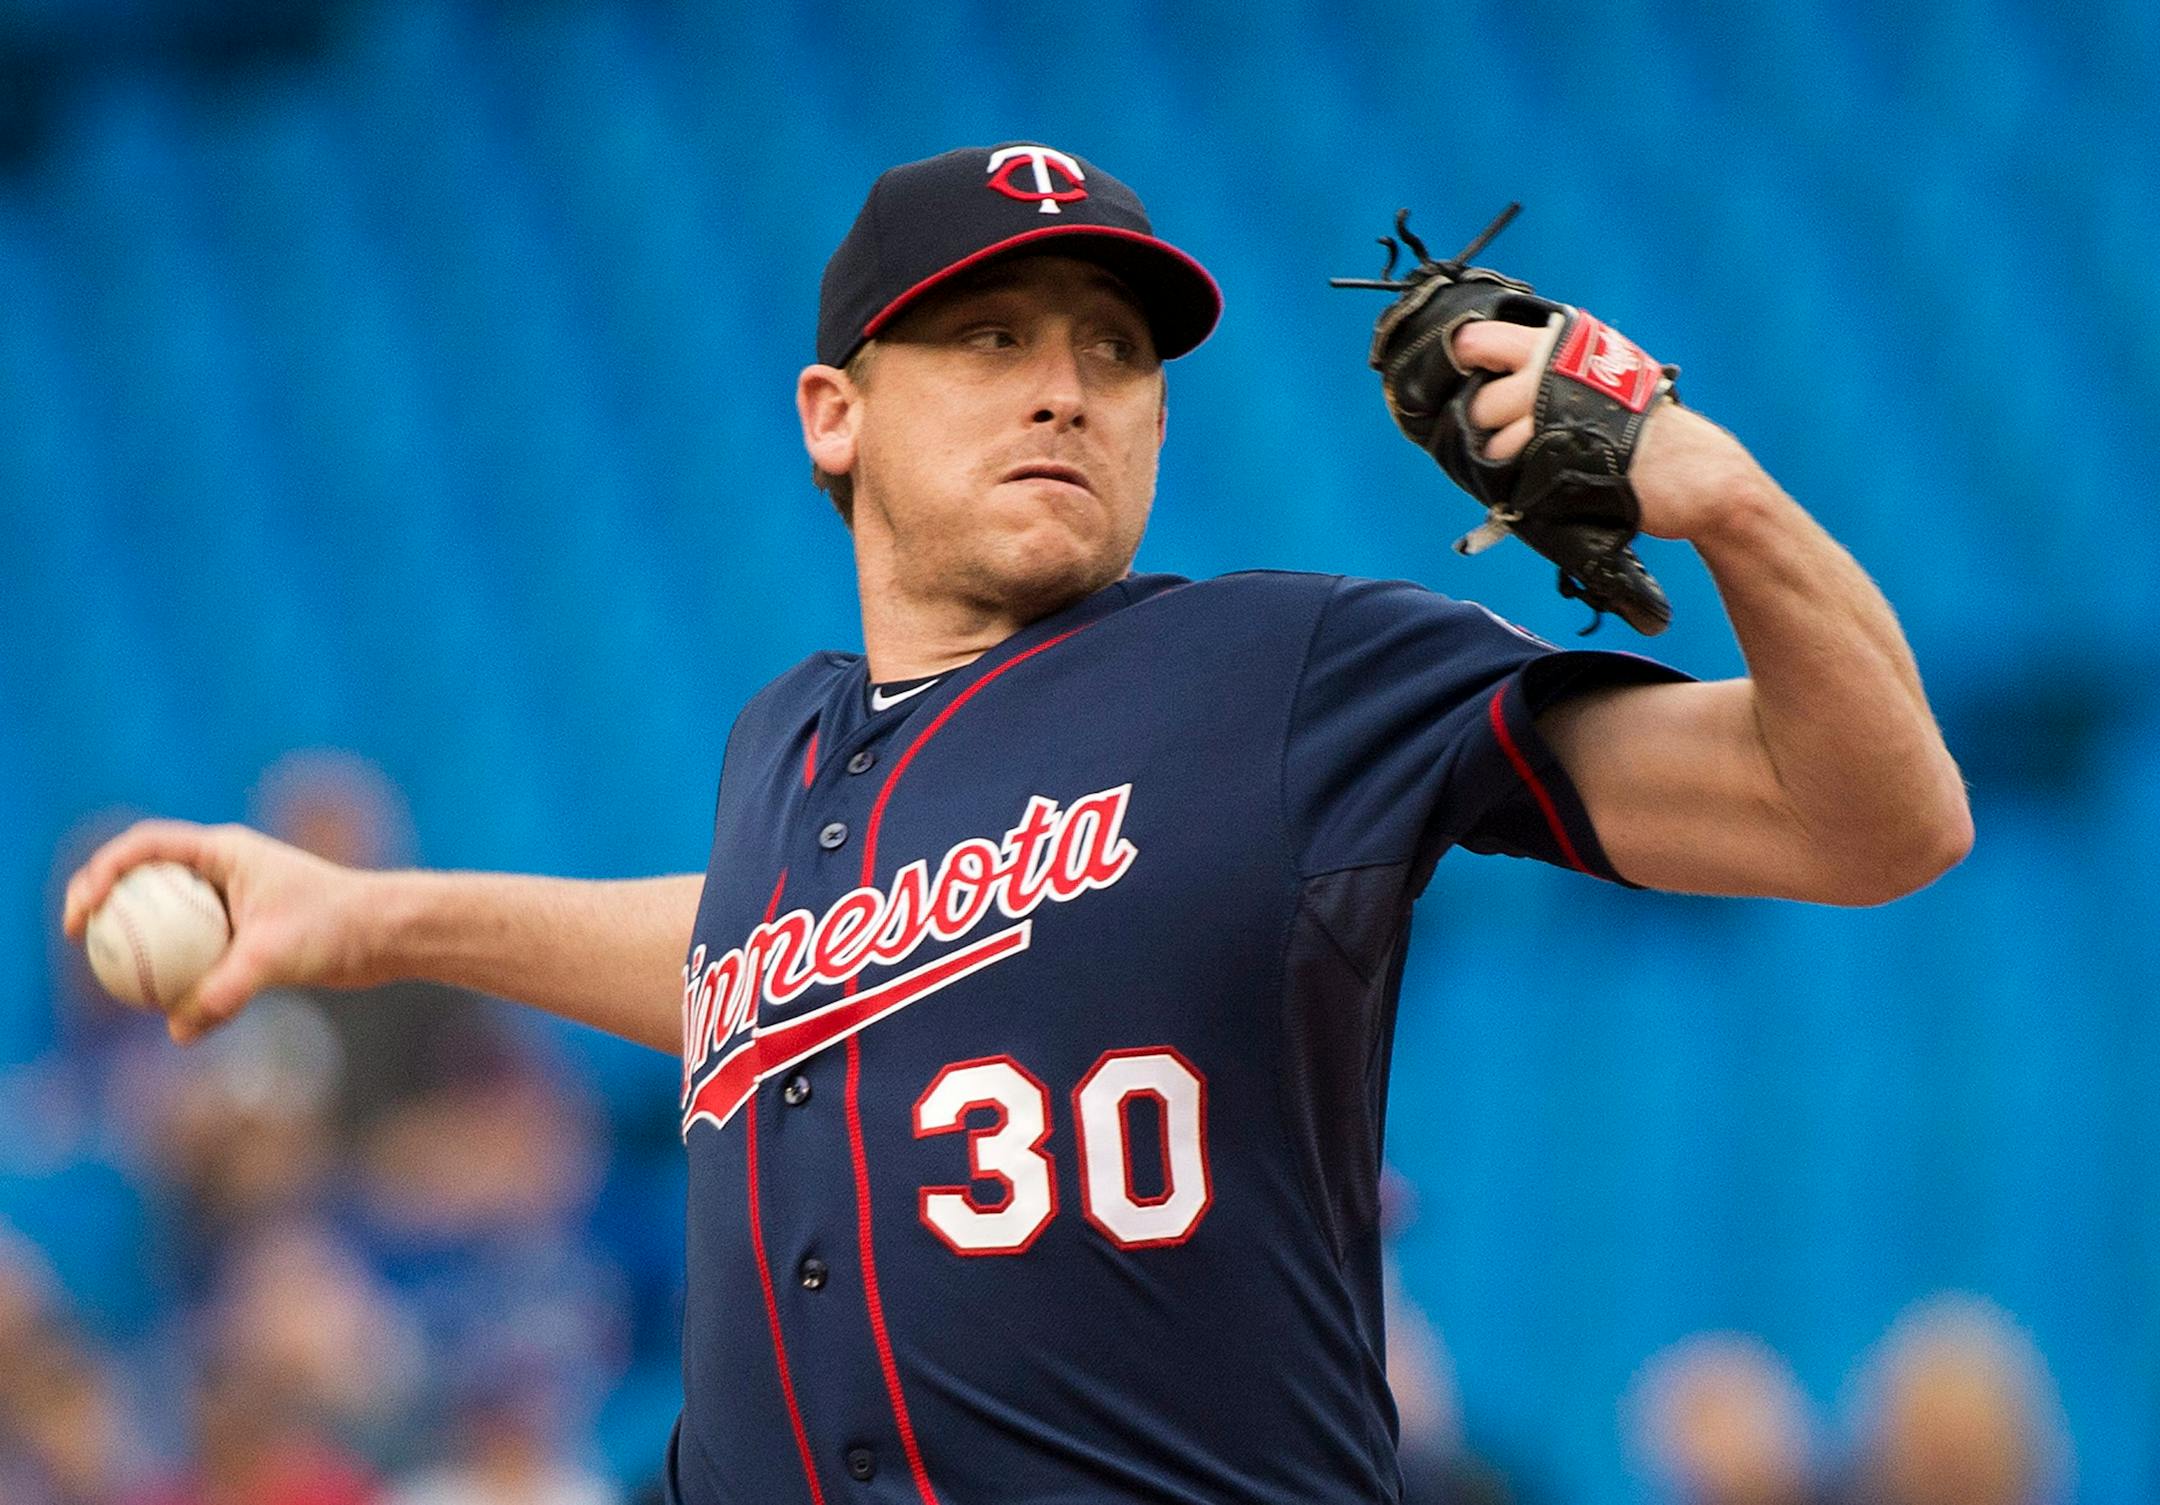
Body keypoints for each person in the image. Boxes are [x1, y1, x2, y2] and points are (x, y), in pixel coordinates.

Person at [62, 142, 1971, 1504]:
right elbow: (760, 961)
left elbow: (1871, 820)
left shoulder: (1288, 672)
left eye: (1115, 351)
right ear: (835, 414)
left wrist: (1731, 509)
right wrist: (366, 919)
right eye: (985, 337)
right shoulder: (785, 753)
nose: (1064, 386)